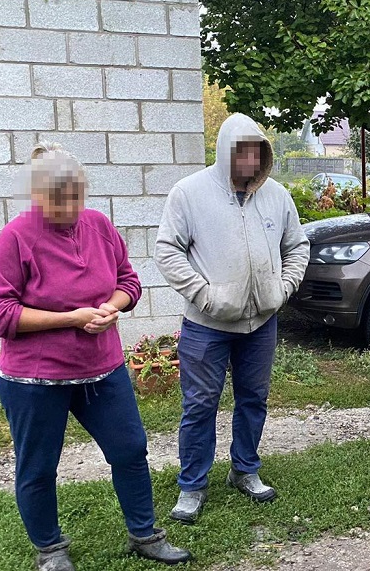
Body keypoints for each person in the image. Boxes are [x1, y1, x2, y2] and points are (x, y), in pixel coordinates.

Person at [0, 143, 190, 571]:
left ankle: (144, 534)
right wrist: (69, 317)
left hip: (102, 370)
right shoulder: (15, 238)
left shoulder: (98, 225)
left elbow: (129, 281)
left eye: (76, 196)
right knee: (38, 467)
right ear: (37, 196)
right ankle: (51, 550)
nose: (70, 207)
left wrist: (113, 305)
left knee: (130, 449)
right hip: (34, 379)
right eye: (59, 199)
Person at [155, 114, 309, 524]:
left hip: (260, 324)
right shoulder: (189, 193)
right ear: (225, 152)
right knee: (200, 404)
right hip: (206, 326)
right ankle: (191, 485)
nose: (250, 160)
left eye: (257, 151)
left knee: (253, 398)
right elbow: (167, 251)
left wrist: (283, 288)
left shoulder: (276, 195)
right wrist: (205, 296)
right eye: (241, 151)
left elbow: (298, 246)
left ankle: (245, 469)